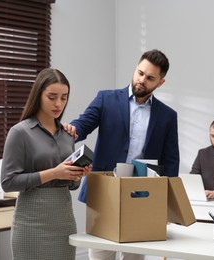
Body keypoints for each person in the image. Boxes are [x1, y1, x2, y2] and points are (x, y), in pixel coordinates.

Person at [64, 49, 180, 260]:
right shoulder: (106, 99)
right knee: (100, 254)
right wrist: (71, 129)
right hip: (104, 192)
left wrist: (167, 206)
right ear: (136, 68)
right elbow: (83, 124)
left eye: (150, 78)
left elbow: (171, 161)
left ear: (160, 83)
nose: (142, 80)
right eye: (140, 73)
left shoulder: (168, 116)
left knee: (134, 256)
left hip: (142, 195)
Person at [0, 68, 91, 260]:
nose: (59, 104)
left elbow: (71, 186)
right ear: (38, 94)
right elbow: (8, 182)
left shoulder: (68, 135)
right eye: (52, 97)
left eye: (64, 97)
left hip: (64, 222)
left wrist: (77, 174)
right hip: (30, 224)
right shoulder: (20, 132)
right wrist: (54, 173)